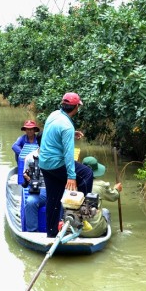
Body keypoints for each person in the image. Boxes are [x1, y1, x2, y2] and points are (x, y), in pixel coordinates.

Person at [39, 92, 93, 238]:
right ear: (76, 107)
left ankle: (51, 233)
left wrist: (71, 134)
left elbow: (51, 133)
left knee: (53, 198)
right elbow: (69, 154)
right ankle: (81, 215)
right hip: (57, 164)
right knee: (87, 174)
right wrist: (71, 176)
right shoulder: (67, 126)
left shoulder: (54, 114)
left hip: (44, 164)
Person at [21, 133, 46, 232]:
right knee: (31, 202)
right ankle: (32, 232)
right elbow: (26, 178)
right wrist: (27, 178)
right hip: (39, 189)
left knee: (64, 202)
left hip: (55, 188)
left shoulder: (57, 156)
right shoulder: (30, 157)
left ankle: (60, 229)